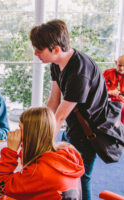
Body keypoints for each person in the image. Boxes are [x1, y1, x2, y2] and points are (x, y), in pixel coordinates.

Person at [29, 19, 116, 200]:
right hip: (73, 128)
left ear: (56, 48)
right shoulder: (56, 63)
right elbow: (53, 102)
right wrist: (42, 131)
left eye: (39, 49)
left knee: (80, 178)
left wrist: (42, 145)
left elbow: (60, 115)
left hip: (89, 133)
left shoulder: (79, 71)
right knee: (66, 176)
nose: (35, 53)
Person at [0, 107, 85, 200]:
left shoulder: (38, 172)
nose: (18, 132)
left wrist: (11, 151)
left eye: (20, 128)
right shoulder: (66, 152)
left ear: (30, 134)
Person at [103, 55, 124, 123]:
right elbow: (101, 89)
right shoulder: (108, 73)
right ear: (116, 63)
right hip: (109, 101)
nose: (121, 68)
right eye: (119, 65)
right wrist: (110, 92)